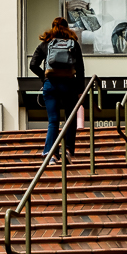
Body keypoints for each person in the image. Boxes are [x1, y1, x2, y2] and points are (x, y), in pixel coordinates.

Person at [30, 17, 85, 164]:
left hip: (51, 84)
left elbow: (33, 65)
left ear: (52, 27)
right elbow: (80, 69)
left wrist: (45, 77)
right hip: (69, 85)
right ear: (67, 28)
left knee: (53, 121)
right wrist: (80, 90)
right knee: (70, 119)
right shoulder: (73, 44)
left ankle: (51, 154)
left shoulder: (45, 44)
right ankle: (67, 150)